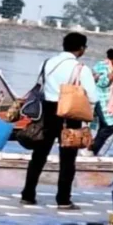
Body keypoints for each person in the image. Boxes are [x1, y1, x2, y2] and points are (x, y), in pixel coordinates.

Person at [21, 32, 97, 210]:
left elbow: (40, 84)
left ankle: (28, 194)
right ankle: (63, 199)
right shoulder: (81, 69)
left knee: (38, 156)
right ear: (81, 49)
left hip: (46, 113)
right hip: (69, 115)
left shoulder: (46, 63)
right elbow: (93, 97)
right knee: (68, 160)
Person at [84, 43, 113, 156]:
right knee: (110, 126)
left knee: (106, 126)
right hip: (99, 100)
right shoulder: (102, 66)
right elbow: (103, 83)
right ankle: (91, 150)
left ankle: (92, 150)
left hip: (107, 102)